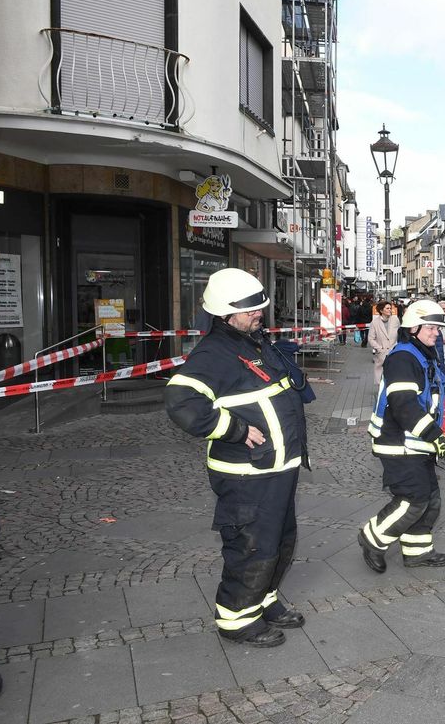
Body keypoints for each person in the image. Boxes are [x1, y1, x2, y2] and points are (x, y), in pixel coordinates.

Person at [165, 268, 308, 648]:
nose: (258, 313)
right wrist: (236, 430)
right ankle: (237, 619)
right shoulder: (215, 352)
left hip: (276, 467)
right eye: (249, 310)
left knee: (278, 540)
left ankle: (263, 599)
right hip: (248, 473)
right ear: (225, 314)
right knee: (251, 545)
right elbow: (181, 401)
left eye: (259, 306)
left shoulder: (251, 342)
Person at [359, 300, 445, 573]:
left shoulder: (421, 353)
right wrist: (435, 435)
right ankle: (372, 538)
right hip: (398, 443)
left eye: (437, 328)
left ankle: (417, 551)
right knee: (414, 500)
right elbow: (404, 405)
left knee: (431, 498)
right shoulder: (403, 358)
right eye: (431, 328)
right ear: (413, 328)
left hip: (416, 443)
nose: (436, 333)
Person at [368, 301, 399, 386]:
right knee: (381, 379)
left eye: (390, 308)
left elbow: (400, 334)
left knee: (394, 377)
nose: (390, 310)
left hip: (394, 352)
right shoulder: (375, 323)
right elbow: (371, 339)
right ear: (381, 311)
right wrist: (379, 348)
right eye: (387, 308)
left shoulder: (395, 319)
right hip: (382, 354)